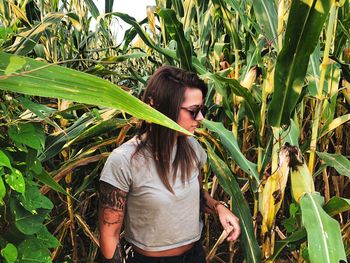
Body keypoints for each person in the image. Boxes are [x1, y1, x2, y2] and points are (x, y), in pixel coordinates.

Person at [98, 66, 240, 263]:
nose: (201, 118)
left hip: (194, 255)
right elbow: (109, 234)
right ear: (159, 107)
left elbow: (197, 196)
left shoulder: (192, 147)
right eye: (193, 111)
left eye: (202, 110)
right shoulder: (123, 161)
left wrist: (219, 207)